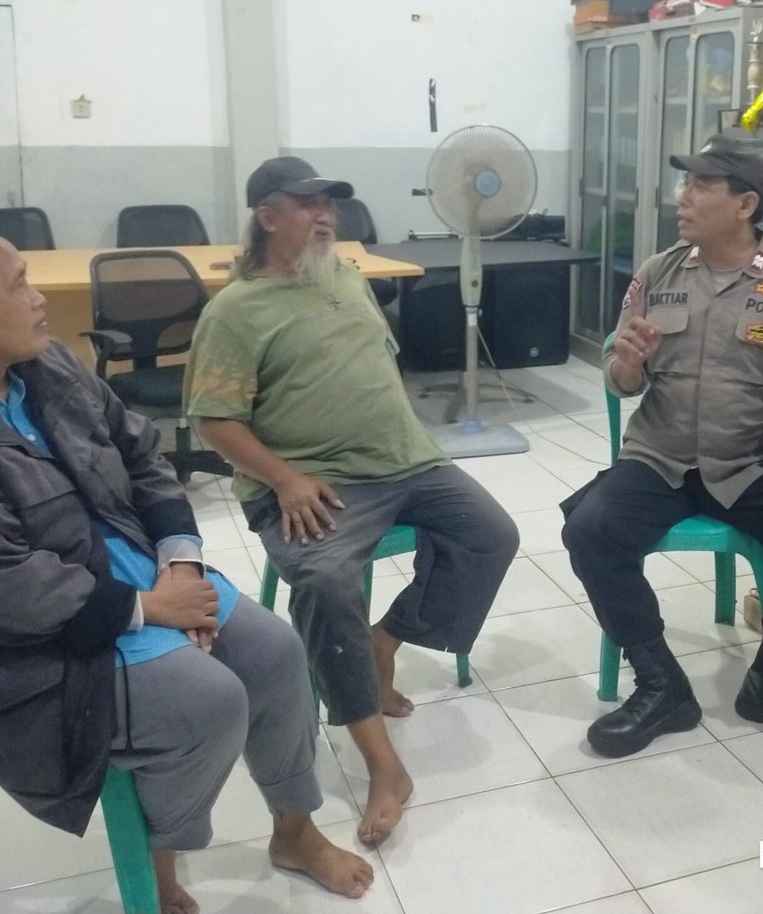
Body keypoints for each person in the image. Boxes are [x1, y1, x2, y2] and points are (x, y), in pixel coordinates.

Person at [0, 212, 373, 913]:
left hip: (126, 582)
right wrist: (149, 610)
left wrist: (180, 563)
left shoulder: (41, 366)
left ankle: (295, 832)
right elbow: (1, 592)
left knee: (275, 653)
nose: (39, 299)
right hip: (8, 652)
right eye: (18, 286)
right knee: (207, 701)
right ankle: (157, 868)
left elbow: (141, 457)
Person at [185, 156, 518, 845]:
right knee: (327, 581)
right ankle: (382, 765)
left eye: (328, 204)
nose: (325, 216)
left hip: (405, 459)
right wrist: (285, 479)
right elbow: (213, 421)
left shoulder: (343, 273)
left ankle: (383, 641)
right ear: (267, 217)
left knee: (492, 535)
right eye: (307, 205)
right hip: (314, 481)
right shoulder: (235, 312)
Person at [560, 135, 763, 759]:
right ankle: (660, 685)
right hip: (658, 459)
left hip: (749, 465)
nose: (683, 198)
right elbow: (621, 379)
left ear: (745, 204)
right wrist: (627, 365)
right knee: (590, 531)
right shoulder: (656, 273)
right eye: (685, 184)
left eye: (700, 186)